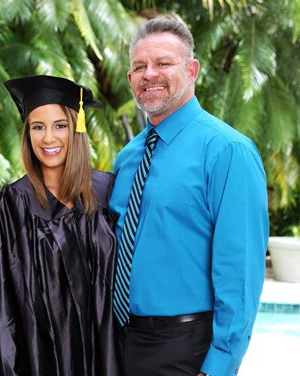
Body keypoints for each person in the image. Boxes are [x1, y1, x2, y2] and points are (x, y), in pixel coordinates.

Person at [109, 17, 269, 376]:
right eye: (139, 66)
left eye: (163, 63)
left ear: (192, 70)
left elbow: (240, 274)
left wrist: (219, 366)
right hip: (117, 343)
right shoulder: (128, 157)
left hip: (186, 348)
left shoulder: (228, 152)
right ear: (130, 79)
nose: (150, 74)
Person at [0, 75, 121, 376]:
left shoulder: (108, 190)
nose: (48, 138)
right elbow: (5, 304)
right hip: (42, 359)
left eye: (60, 126)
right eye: (38, 127)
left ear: (76, 129)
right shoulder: (14, 203)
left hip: (107, 354)